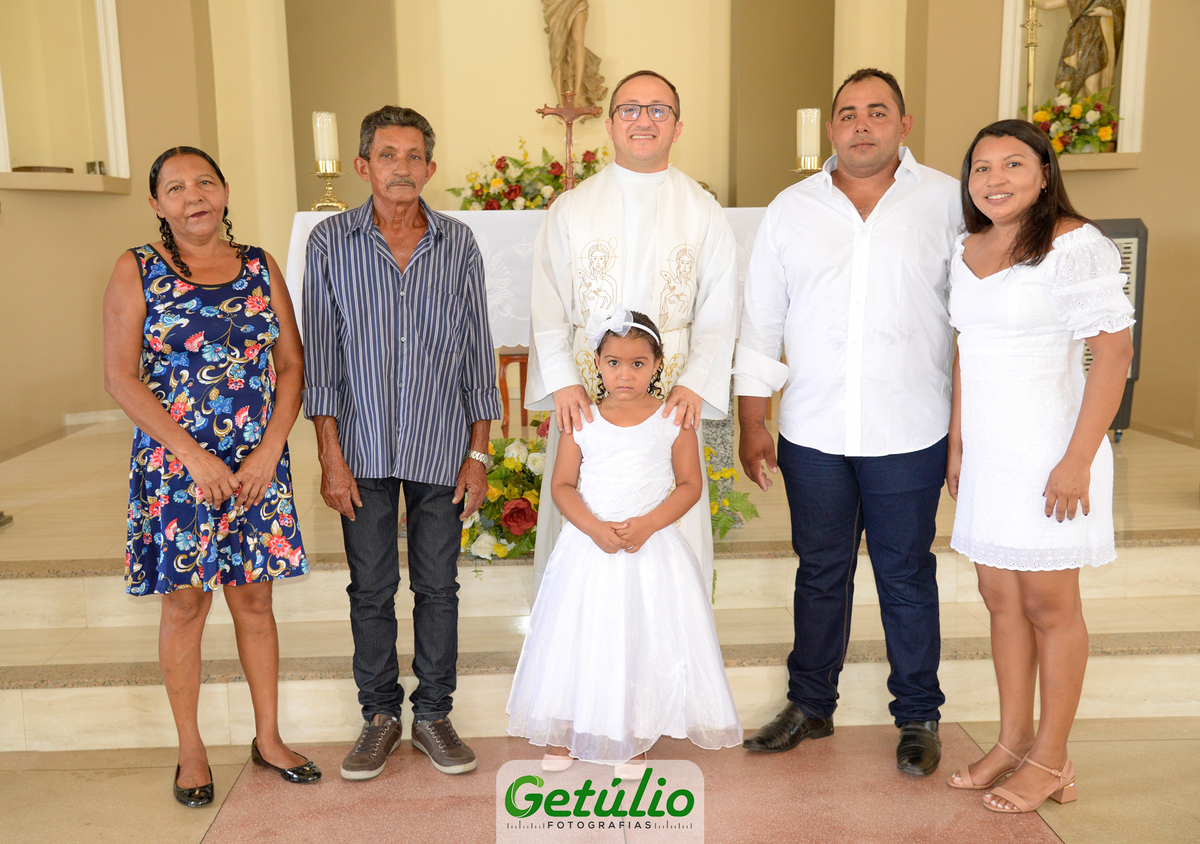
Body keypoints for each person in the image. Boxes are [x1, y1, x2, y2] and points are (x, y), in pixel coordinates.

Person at [734, 68, 961, 775]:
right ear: (831, 128)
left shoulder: (947, 202)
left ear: (904, 124)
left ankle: (918, 715)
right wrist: (752, 419)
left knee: (906, 574)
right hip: (814, 430)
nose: (862, 124)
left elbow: (972, 320)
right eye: (849, 113)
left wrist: (964, 429)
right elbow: (762, 320)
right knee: (821, 572)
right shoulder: (791, 208)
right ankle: (810, 705)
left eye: (878, 111)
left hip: (910, 427)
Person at [103, 146, 319, 806]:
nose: (192, 195)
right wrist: (193, 457)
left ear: (224, 190)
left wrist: (270, 449)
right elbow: (120, 378)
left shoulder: (259, 266)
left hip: (256, 464)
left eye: (204, 182)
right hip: (178, 469)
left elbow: (291, 364)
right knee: (186, 603)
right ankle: (191, 750)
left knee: (254, 600)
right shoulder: (137, 268)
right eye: (175, 187)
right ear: (156, 204)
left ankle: (269, 738)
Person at [303, 106, 500, 780]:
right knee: (371, 588)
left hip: (442, 445)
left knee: (439, 587)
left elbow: (478, 355)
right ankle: (380, 717)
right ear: (363, 166)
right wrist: (330, 455)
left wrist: (478, 454)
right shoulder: (330, 243)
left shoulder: (458, 243)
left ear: (430, 168)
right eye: (388, 155)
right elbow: (322, 358)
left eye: (414, 156)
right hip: (360, 450)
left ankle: (434, 715)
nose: (402, 168)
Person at [945, 119, 1133, 813]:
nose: (994, 179)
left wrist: (1078, 459)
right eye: (982, 167)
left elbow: (1113, 353)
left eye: (1013, 164)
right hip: (990, 453)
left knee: (1051, 607)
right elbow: (966, 348)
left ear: (1045, 173)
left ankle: (1051, 759)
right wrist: (957, 441)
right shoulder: (966, 246)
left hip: (1050, 449)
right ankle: (1013, 741)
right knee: (1000, 599)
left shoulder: (1073, 244)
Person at [526, 69, 739, 599]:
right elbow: (547, 305)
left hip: (671, 391)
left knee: (670, 522)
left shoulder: (703, 211)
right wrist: (564, 382)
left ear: (677, 126)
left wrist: (694, 382)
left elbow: (721, 308)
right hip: (587, 387)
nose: (644, 120)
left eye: (658, 110)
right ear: (610, 123)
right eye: (630, 109)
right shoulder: (571, 208)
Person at [508, 309, 742, 774]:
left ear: (658, 364)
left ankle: (632, 735)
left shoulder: (674, 419)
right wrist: (594, 528)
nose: (625, 374)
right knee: (578, 638)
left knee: (639, 642)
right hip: (588, 551)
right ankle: (565, 732)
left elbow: (690, 486)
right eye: (613, 362)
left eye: (638, 363)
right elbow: (562, 486)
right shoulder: (581, 419)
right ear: (597, 362)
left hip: (649, 550)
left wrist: (649, 524)